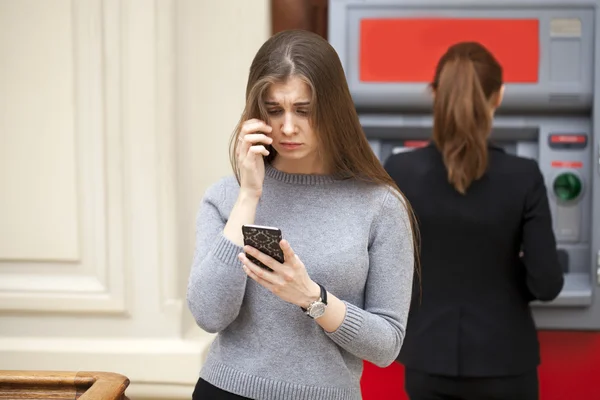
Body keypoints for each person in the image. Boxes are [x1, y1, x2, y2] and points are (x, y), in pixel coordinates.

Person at [186, 29, 416, 400]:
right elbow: (209, 315)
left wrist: (312, 297)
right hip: (224, 390)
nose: (288, 127)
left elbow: (387, 345)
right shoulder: (226, 197)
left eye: (304, 110)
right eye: (274, 110)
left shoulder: (381, 205)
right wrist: (249, 195)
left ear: (333, 109)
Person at [384, 41, 565, 400]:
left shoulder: (399, 170)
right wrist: (509, 278)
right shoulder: (524, 175)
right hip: (506, 363)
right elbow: (547, 283)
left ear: (435, 93)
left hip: (426, 360)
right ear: (498, 96)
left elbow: (387, 267)